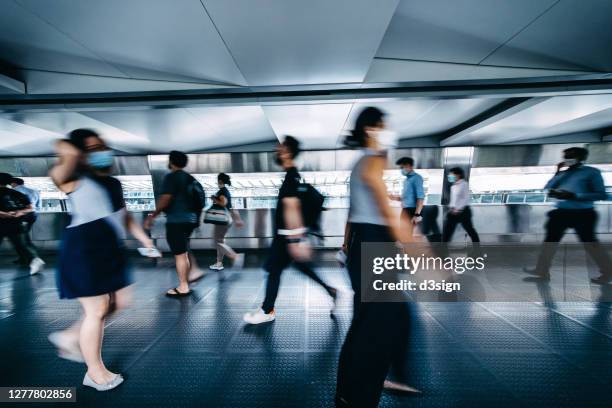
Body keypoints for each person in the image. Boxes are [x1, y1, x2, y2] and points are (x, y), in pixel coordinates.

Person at [47, 129, 156, 391]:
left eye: (103, 147)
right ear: (81, 154)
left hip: (109, 249)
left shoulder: (113, 183)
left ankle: (70, 336)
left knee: (119, 302)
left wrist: (145, 239)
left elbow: (124, 216)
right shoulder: (71, 178)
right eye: (94, 149)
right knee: (96, 310)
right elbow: (64, 158)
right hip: (84, 248)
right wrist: (72, 148)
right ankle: (95, 373)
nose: (102, 153)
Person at [336, 107, 418, 408]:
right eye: (384, 126)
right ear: (372, 129)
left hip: (366, 247)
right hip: (373, 250)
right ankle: (359, 395)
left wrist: (346, 247)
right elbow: (388, 215)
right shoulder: (371, 163)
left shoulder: (365, 164)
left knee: (379, 321)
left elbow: (354, 213)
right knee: (376, 329)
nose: (388, 133)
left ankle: (351, 392)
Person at [243, 136, 337, 324]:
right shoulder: (292, 176)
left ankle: (267, 310)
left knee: (274, 270)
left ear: (287, 152)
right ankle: (330, 290)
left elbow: (292, 209)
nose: (277, 150)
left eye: (281, 147)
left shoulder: (291, 178)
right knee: (297, 267)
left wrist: (295, 241)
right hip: (287, 237)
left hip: (286, 238)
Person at [524, 147, 611, 284]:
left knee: (591, 244)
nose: (567, 159)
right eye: (565, 156)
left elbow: (601, 194)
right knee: (550, 242)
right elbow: (548, 187)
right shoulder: (563, 173)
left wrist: (574, 195)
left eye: (571, 156)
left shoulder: (591, 173)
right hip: (561, 213)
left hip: (583, 214)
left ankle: (607, 272)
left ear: (581, 158)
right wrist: (557, 172)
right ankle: (542, 270)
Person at [145, 150, 205, 297]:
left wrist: (153, 215)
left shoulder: (171, 177)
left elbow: (165, 199)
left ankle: (183, 286)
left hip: (177, 220)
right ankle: (194, 271)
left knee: (179, 254)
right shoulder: (191, 178)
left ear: (171, 162)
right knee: (183, 249)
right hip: (190, 220)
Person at [0, 173, 45, 275]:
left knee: (21, 244)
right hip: (17, 223)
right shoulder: (16, 193)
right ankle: (35, 260)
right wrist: (19, 213)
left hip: (2, 223)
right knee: (22, 244)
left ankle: (33, 260)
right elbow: (30, 207)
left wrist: (5, 214)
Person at [209, 172, 245, 272]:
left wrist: (214, 199)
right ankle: (219, 263)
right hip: (226, 219)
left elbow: (223, 203)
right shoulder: (226, 191)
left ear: (220, 180)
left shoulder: (223, 191)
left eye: (217, 180)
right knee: (220, 241)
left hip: (222, 219)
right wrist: (237, 219)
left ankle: (235, 256)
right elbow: (230, 206)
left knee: (217, 241)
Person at [442, 167, 480, 253]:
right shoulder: (453, 186)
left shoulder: (464, 184)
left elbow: (466, 198)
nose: (449, 176)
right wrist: (451, 209)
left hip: (463, 212)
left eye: (451, 174)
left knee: (470, 231)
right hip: (453, 212)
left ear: (457, 175)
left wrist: (458, 209)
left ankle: (477, 250)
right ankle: (443, 251)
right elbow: (453, 200)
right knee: (447, 232)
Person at [390, 157, 424, 239]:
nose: (401, 170)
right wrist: (394, 198)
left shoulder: (417, 178)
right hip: (405, 210)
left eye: (402, 167)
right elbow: (405, 198)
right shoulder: (406, 180)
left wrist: (417, 214)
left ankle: (409, 251)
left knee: (407, 235)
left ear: (409, 166)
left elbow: (420, 197)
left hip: (411, 210)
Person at [10, 177, 42, 265]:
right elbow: (38, 205)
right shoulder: (34, 191)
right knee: (24, 236)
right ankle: (27, 257)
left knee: (22, 238)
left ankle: (31, 258)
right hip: (33, 215)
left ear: (14, 183)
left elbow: (17, 206)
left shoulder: (16, 190)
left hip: (22, 216)